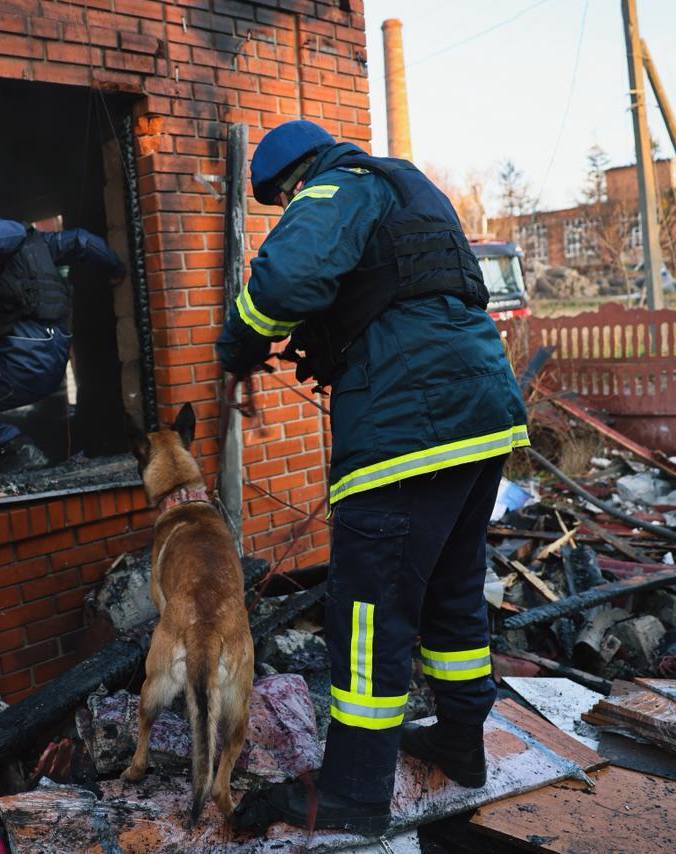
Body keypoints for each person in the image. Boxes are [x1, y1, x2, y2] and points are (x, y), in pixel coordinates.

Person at [218, 120, 530, 834]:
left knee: (366, 614)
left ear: (295, 176)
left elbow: (287, 278)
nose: (288, 203)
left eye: (283, 195)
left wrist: (239, 341)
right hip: (481, 414)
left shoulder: (334, 187)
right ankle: (460, 744)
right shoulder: (407, 188)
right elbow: (402, 293)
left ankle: (353, 794)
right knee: (451, 592)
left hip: (406, 431)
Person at [0, 202, 125, 475]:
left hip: (22, 359)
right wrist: (116, 269)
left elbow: (8, 230)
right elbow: (82, 240)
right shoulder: (40, 243)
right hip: (54, 357)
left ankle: (12, 445)